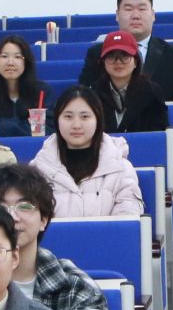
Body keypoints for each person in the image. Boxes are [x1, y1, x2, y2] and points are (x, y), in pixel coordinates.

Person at [0, 162, 116, 310]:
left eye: (25, 206)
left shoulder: (74, 285)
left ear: (43, 219)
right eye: (0, 207)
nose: (12, 216)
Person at [78, 0, 173, 113]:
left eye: (142, 9)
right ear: (117, 15)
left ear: (153, 15)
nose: (135, 15)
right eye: (128, 9)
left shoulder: (172, 52)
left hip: (159, 123)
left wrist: (156, 112)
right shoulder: (97, 53)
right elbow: (84, 94)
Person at [31, 87, 145, 218]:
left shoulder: (120, 168)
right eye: (68, 117)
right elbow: (30, 220)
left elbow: (127, 220)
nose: (76, 125)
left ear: (98, 119)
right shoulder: (38, 170)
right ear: (57, 120)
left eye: (85, 117)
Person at [89, 30, 169, 134]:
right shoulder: (93, 93)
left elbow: (158, 135)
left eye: (125, 56)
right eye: (111, 56)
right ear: (103, 62)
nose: (118, 62)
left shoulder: (152, 92)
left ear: (136, 61)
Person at [0, 35, 48, 137]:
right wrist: (27, 126)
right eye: (4, 56)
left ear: (26, 62)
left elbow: (50, 128)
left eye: (17, 57)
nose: (10, 62)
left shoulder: (42, 92)